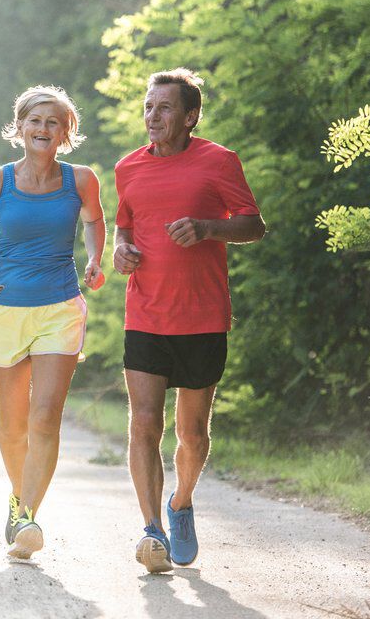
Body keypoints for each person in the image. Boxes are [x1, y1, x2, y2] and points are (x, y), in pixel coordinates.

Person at [112, 68, 265, 573]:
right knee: (143, 424)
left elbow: (252, 225)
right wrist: (121, 250)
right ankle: (152, 529)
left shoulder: (219, 162)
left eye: (165, 108)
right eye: (149, 107)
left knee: (193, 435)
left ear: (190, 115)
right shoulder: (128, 167)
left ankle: (181, 502)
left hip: (202, 316)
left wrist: (205, 228)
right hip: (146, 312)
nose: (153, 116)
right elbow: (125, 225)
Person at [0, 85, 105, 559]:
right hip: (4, 311)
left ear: (66, 131)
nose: (43, 129)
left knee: (45, 417)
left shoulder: (81, 179)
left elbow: (95, 221)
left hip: (60, 308)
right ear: (19, 128)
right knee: (13, 425)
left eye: (52, 122)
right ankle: (20, 501)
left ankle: (27, 516)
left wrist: (95, 258)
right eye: (35, 121)